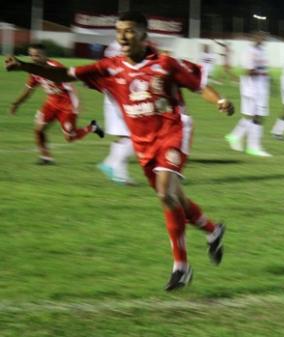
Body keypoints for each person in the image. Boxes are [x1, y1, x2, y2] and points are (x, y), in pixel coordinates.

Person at [5, 11, 235, 291]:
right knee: (175, 199)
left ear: (142, 35)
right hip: (143, 144)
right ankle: (212, 231)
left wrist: (220, 100)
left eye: (128, 31)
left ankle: (181, 267)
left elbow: (198, 86)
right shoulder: (110, 67)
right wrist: (26, 66)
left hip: (172, 133)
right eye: (119, 31)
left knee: (165, 192)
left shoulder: (165, 63)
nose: (122, 36)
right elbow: (65, 74)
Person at [8, 43, 104, 165]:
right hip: (51, 103)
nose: (34, 58)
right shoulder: (34, 71)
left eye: (37, 55)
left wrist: (77, 104)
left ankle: (93, 127)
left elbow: (71, 86)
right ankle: (46, 158)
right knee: (39, 129)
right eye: (31, 55)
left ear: (44, 55)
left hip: (67, 106)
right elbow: (28, 90)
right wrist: (16, 103)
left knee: (70, 137)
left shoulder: (55, 66)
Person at [225, 31, 272, 157]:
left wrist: (266, 76)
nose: (263, 39)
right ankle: (253, 147)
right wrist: (263, 73)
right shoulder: (250, 52)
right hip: (252, 89)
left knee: (254, 116)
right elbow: (248, 71)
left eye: (264, 38)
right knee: (257, 117)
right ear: (254, 38)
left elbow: (261, 68)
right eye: (260, 37)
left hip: (261, 87)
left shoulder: (262, 50)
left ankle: (234, 136)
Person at [98, 40, 136, 184]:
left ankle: (118, 171)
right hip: (121, 95)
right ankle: (112, 165)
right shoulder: (125, 46)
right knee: (137, 135)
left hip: (117, 94)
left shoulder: (113, 45)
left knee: (126, 136)